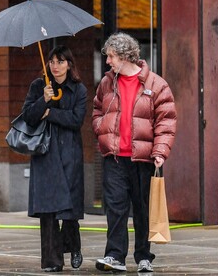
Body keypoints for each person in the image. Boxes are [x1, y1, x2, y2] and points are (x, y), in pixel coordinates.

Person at [92, 32, 177, 273]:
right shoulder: (107, 83)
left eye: (110, 57)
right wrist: (101, 129)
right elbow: (97, 111)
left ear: (124, 56)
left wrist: (160, 151)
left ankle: (143, 256)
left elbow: (166, 121)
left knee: (142, 209)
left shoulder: (156, 85)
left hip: (144, 158)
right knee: (116, 208)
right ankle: (114, 256)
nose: (107, 61)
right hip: (115, 157)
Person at [22, 45, 87, 272]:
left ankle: (74, 246)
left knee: (68, 209)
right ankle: (52, 261)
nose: (56, 66)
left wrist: (50, 113)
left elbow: (76, 120)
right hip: (45, 154)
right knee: (48, 209)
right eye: (52, 62)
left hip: (69, 152)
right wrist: (43, 101)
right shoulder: (39, 86)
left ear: (69, 64)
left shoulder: (78, 90)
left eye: (60, 62)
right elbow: (28, 117)